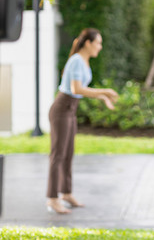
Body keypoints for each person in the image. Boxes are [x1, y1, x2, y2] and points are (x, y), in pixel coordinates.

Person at [47, 28, 119, 214]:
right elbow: (76, 89)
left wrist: (104, 98)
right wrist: (105, 92)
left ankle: (66, 193)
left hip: (71, 109)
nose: (100, 47)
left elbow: (82, 90)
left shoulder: (83, 61)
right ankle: (53, 198)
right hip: (62, 108)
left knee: (68, 153)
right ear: (88, 43)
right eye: (98, 43)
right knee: (58, 155)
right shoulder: (77, 60)